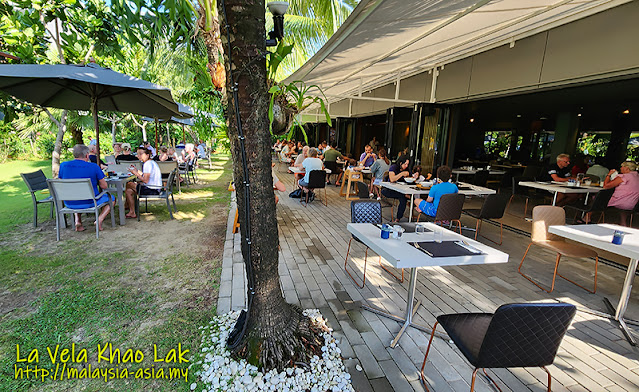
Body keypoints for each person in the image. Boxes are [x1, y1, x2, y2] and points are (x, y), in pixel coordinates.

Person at [58, 144, 112, 232]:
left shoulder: (63, 166)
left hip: (69, 202)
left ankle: (78, 221)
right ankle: (99, 219)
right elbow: (104, 186)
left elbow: (61, 182)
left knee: (76, 193)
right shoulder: (93, 166)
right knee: (111, 199)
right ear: (87, 155)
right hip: (90, 201)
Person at [124, 147, 162, 219]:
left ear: (147, 155)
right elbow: (146, 176)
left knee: (129, 184)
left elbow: (145, 180)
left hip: (152, 190)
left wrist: (136, 173)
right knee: (129, 191)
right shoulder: (151, 162)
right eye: (138, 154)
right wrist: (137, 171)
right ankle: (131, 212)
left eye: (141, 154)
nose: (139, 156)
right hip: (156, 188)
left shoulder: (147, 164)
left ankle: (126, 207)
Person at [604, 161, 639, 225]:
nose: (620, 168)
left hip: (622, 202)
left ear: (627, 168)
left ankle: (587, 218)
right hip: (633, 204)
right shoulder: (636, 176)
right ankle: (623, 223)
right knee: (623, 207)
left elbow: (606, 186)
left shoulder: (624, 177)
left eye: (622, 166)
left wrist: (609, 174)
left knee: (596, 199)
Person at [381, 155, 411, 222]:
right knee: (404, 196)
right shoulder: (394, 167)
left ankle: (398, 218)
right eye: (405, 164)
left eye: (407, 164)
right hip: (388, 189)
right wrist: (402, 174)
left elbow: (410, 178)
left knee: (403, 198)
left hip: (400, 190)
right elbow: (392, 179)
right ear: (400, 163)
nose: (406, 166)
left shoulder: (407, 169)